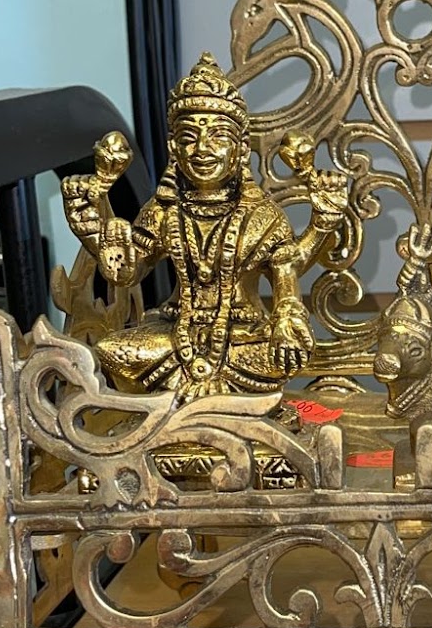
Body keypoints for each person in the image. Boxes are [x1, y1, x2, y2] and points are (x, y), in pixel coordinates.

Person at [61, 52, 349, 402]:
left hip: (244, 335)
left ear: (241, 149)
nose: (202, 149)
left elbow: (286, 272)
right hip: (174, 334)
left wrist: (321, 226)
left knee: (285, 351)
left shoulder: (263, 215)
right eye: (189, 137)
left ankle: (190, 400)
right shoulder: (164, 211)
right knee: (113, 351)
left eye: (218, 137)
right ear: (174, 148)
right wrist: (90, 226)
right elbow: (126, 272)